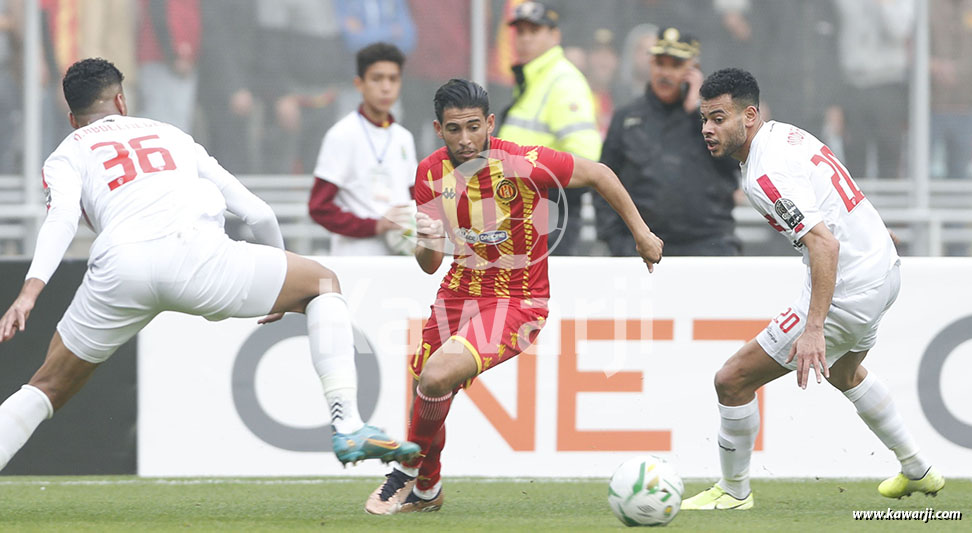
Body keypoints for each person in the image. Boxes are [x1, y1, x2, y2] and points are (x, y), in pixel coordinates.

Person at [0, 58, 419, 472]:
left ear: (72, 118)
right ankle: (348, 424)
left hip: (122, 268)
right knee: (323, 283)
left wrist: (29, 292)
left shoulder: (65, 154)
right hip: (200, 257)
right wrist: (279, 276)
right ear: (122, 101)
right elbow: (257, 213)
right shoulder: (170, 134)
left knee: (48, 385)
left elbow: (61, 220)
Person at [364, 78, 664, 515]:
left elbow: (600, 174)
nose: (465, 140)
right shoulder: (430, 173)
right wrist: (425, 239)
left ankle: (403, 471)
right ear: (438, 129)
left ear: (490, 123)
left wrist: (642, 234)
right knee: (424, 387)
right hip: (457, 292)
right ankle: (427, 491)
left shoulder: (523, 162)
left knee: (435, 376)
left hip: (518, 302)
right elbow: (430, 264)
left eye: (473, 127)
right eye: (454, 129)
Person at [682, 68, 944, 510]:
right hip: (883, 267)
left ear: (749, 116)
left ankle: (733, 491)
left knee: (732, 380)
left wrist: (814, 327)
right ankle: (918, 470)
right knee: (845, 374)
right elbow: (836, 195)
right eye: (705, 118)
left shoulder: (763, 175)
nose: (708, 128)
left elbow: (824, 243)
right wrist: (871, 235)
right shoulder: (788, 135)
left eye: (719, 118)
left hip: (850, 285)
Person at [595, 26, 741, 256]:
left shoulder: (717, 120)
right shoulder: (627, 118)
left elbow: (736, 164)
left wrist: (699, 112)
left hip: (708, 246)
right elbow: (603, 181)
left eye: (675, 65)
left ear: (694, 70)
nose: (665, 73)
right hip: (642, 248)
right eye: (660, 63)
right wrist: (617, 242)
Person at [497, 1, 601, 256]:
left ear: (555, 36)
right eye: (520, 31)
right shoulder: (534, 78)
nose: (525, 39)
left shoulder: (563, 81)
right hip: (522, 212)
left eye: (534, 31)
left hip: (549, 214)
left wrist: (532, 179)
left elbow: (586, 158)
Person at [307, 42, 418, 256]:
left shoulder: (404, 138)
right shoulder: (341, 135)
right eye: (377, 78)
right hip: (356, 259)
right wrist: (374, 226)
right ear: (359, 84)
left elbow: (416, 198)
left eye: (393, 79)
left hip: (401, 261)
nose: (386, 87)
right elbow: (319, 207)